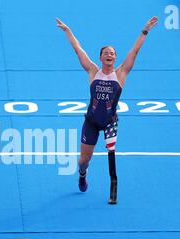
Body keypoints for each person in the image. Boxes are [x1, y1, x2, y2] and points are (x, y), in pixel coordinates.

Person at [56, 16, 158, 204]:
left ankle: (112, 190)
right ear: (100, 57)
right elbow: (78, 50)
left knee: (111, 154)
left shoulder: (121, 73)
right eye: (106, 53)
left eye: (112, 53)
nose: (109, 55)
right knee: (83, 160)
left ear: (115, 57)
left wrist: (145, 31)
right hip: (91, 122)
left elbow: (135, 51)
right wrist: (68, 31)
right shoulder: (93, 72)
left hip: (111, 123)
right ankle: (82, 174)